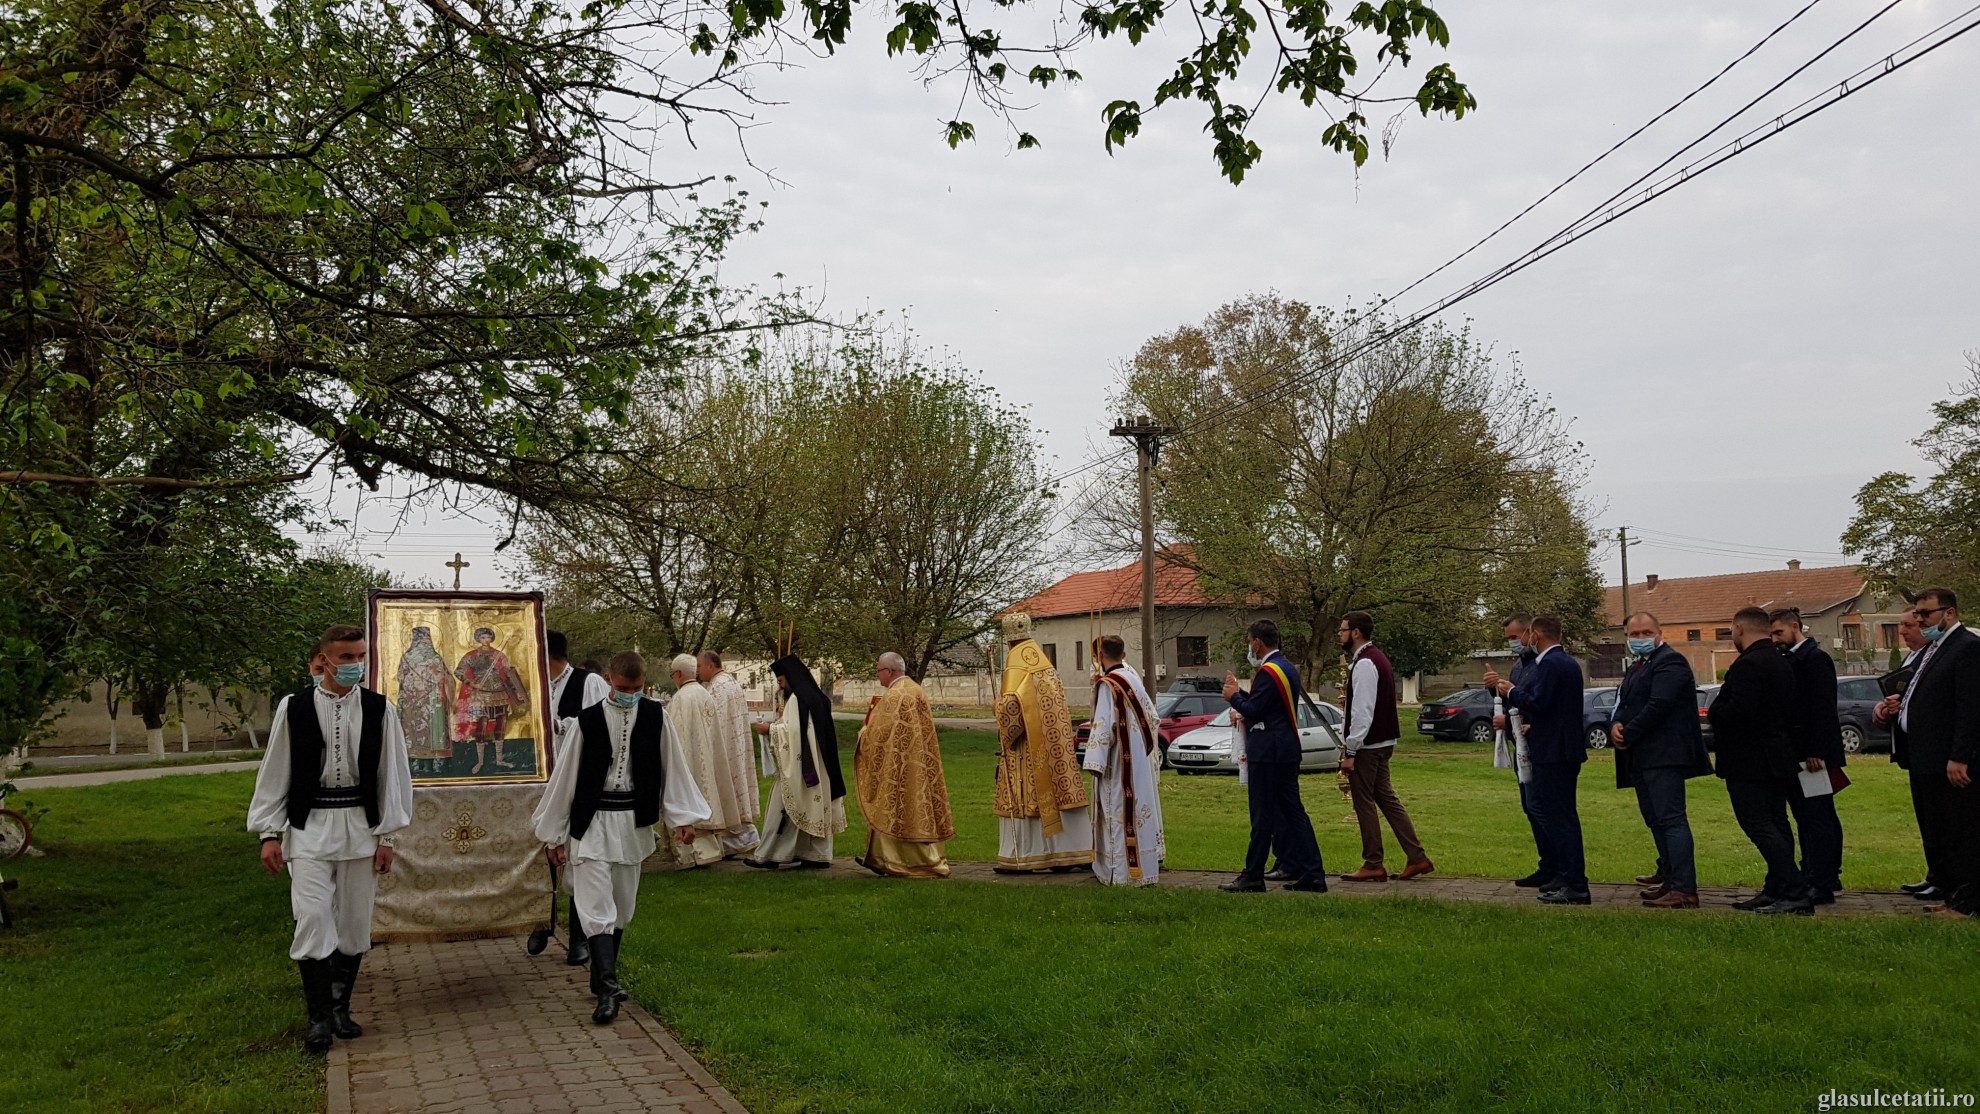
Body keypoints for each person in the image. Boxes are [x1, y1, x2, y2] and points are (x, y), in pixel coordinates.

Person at [248, 625, 414, 1053]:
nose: (355, 664)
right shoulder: (295, 707)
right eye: (346, 657)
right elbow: (276, 771)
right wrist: (269, 832)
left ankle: (341, 1008)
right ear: (323, 660)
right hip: (309, 828)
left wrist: (388, 837)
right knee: (312, 917)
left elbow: (392, 775)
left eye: (360, 656)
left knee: (354, 923)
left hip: (360, 827)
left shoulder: (379, 709)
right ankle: (318, 1018)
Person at [531, 652, 709, 1023]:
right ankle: (608, 990)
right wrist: (555, 835)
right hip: (592, 823)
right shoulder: (587, 722)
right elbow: (565, 780)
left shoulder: (656, 717)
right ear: (610, 679)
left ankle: (601, 977)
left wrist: (683, 817)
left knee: (622, 907)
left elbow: (673, 767)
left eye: (637, 688)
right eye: (624, 687)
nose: (630, 694)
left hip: (631, 823)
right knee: (596, 905)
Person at [1874, 588, 1980, 918]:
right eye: (1917, 614)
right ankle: (1951, 893)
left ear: (1949, 613)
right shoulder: (1934, 649)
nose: (1920, 620)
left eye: (1925, 614)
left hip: (1949, 759)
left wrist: (1960, 756)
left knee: (1962, 831)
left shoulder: (1967, 648)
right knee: (1941, 831)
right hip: (1924, 757)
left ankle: (1968, 902)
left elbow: (1970, 708)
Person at [1709, 606, 1812, 915]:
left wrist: (1715, 712)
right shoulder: (1780, 660)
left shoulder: (1749, 664)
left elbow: (1739, 711)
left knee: (1758, 823)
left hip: (1750, 759)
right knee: (1777, 821)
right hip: (1777, 754)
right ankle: (1777, 887)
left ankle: (1794, 889)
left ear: (1739, 629)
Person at [1610, 612, 1712, 909]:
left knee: (1671, 820)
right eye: (1634, 634)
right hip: (1641, 756)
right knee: (1654, 819)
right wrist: (1616, 723)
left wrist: (1629, 732)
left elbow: (1659, 705)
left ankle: (1684, 888)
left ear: (1659, 632)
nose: (1640, 638)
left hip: (1665, 754)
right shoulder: (1638, 666)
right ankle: (1669, 877)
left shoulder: (1671, 662)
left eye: (1646, 632)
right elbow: (1624, 701)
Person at [1220, 619, 1327, 893]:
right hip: (1285, 749)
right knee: (1293, 813)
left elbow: (1255, 711)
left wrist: (1233, 697)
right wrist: (1241, 692)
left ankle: (1253, 875)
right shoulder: (1285, 667)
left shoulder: (1268, 671)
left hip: (1269, 752)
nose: (1249, 647)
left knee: (1262, 816)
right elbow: (1267, 704)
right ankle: (1312, 872)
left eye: (1249, 641)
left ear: (1258, 642)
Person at [1487, 614, 1587, 905]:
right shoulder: (1562, 663)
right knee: (1555, 816)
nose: (1522, 641)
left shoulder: (1552, 663)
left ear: (1536, 635)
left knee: (1560, 819)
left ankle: (1575, 884)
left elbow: (1540, 703)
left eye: (1524, 635)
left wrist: (1511, 691)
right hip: (1554, 748)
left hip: (1555, 752)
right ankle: (1563, 877)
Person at [1335, 611, 1433, 883]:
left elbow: (1363, 711)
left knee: (1363, 802)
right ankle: (1416, 857)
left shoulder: (1366, 663)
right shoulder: (1377, 658)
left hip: (1369, 745)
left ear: (1356, 632)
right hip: (1381, 741)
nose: (1340, 635)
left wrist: (1351, 750)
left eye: (1343, 630)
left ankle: (1373, 862)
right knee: (1387, 800)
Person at [993, 613, 1094, 872]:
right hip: (1055, 746)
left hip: (1028, 750)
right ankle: (1071, 852)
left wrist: (997, 709)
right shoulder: (1045, 664)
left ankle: (1027, 856)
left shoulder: (1016, 664)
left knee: (1028, 796)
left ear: (1009, 640)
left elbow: (1012, 712)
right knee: (1061, 794)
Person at [1769, 607, 1847, 904]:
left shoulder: (1814, 659)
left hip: (1813, 755)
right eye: (1771, 634)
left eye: (1779, 632)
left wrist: (1817, 751)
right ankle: (1817, 871)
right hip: (1797, 751)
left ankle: (1822, 880)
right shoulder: (1789, 659)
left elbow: (1822, 707)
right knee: (1806, 815)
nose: (1775, 639)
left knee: (1817, 817)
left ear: (1795, 626)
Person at [854, 652, 956, 878]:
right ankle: (908, 858)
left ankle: (895, 861)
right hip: (919, 764)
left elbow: (878, 736)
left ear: (889, 671)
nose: (877, 675)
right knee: (918, 808)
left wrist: (863, 734)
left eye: (879, 671)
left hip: (898, 766)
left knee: (895, 807)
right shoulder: (915, 689)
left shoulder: (893, 696)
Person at [748, 655, 846, 868]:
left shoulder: (797, 699)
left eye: (781, 681)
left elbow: (792, 732)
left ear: (791, 677)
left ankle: (771, 855)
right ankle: (817, 855)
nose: (780, 687)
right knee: (816, 808)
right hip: (822, 765)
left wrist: (769, 729)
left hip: (804, 766)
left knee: (781, 806)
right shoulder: (817, 697)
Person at [1084, 635, 1166, 886]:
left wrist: (1094, 761)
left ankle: (1120, 873)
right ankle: (1143, 869)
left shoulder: (1108, 684)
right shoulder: (1133, 679)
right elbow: (1152, 718)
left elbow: (1102, 727)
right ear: (1123, 654)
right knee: (1137, 811)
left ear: (1099, 656)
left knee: (1118, 811)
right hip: (1138, 758)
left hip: (1119, 763)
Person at [663, 655, 744, 870]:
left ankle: (689, 856)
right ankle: (710, 851)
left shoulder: (680, 699)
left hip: (688, 763)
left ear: (678, 674)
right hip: (707, 762)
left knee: (687, 802)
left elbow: (674, 738)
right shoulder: (705, 694)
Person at [1888, 612, 1943, 900]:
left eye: (1909, 626)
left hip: (1933, 752)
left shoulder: (1932, 657)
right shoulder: (1910, 658)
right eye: (1901, 626)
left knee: (1938, 818)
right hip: (1913, 752)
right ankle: (1935, 873)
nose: (1903, 632)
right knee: (1926, 817)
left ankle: (1944, 877)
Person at [1498, 615, 1553, 889]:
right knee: (1530, 807)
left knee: (1541, 807)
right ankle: (1547, 865)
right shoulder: (1518, 667)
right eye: (1508, 638)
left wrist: (1515, 719)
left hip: (1539, 746)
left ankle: (1557, 867)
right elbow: (1513, 703)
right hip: (1520, 746)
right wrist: (1495, 692)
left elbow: (1539, 704)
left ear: (1530, 634)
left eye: (1515, 637)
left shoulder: (1543, 666)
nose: (1513, 643)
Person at [697, 651, 762, 858]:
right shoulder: (732, 683)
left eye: (699, 666)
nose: (698, 671)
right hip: (737, 747)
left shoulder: (716, 688)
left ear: (710, 666)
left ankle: (732, 840)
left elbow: (710, 723)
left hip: (724, 749)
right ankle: (744, 836)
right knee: (737, 787)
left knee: (725, 791)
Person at [452, 626, 531, 774]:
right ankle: (480, 761)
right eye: (483, 637)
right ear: (478, 639)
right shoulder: (471, 656)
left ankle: (500, 759)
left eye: (488, 637)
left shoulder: (499, 655)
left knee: (501, 726)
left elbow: (507, 675)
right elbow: (458, 671)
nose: (486, 640)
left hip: (500, 694)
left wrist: (516, 690)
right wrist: (472, 683)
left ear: (492, 638)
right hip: (481, 695)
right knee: (481, 727)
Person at [548, 630, 611, 730]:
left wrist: (559, 726)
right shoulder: (542, 688)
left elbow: (597, 723)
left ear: (545, 656)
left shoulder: (589, 681)